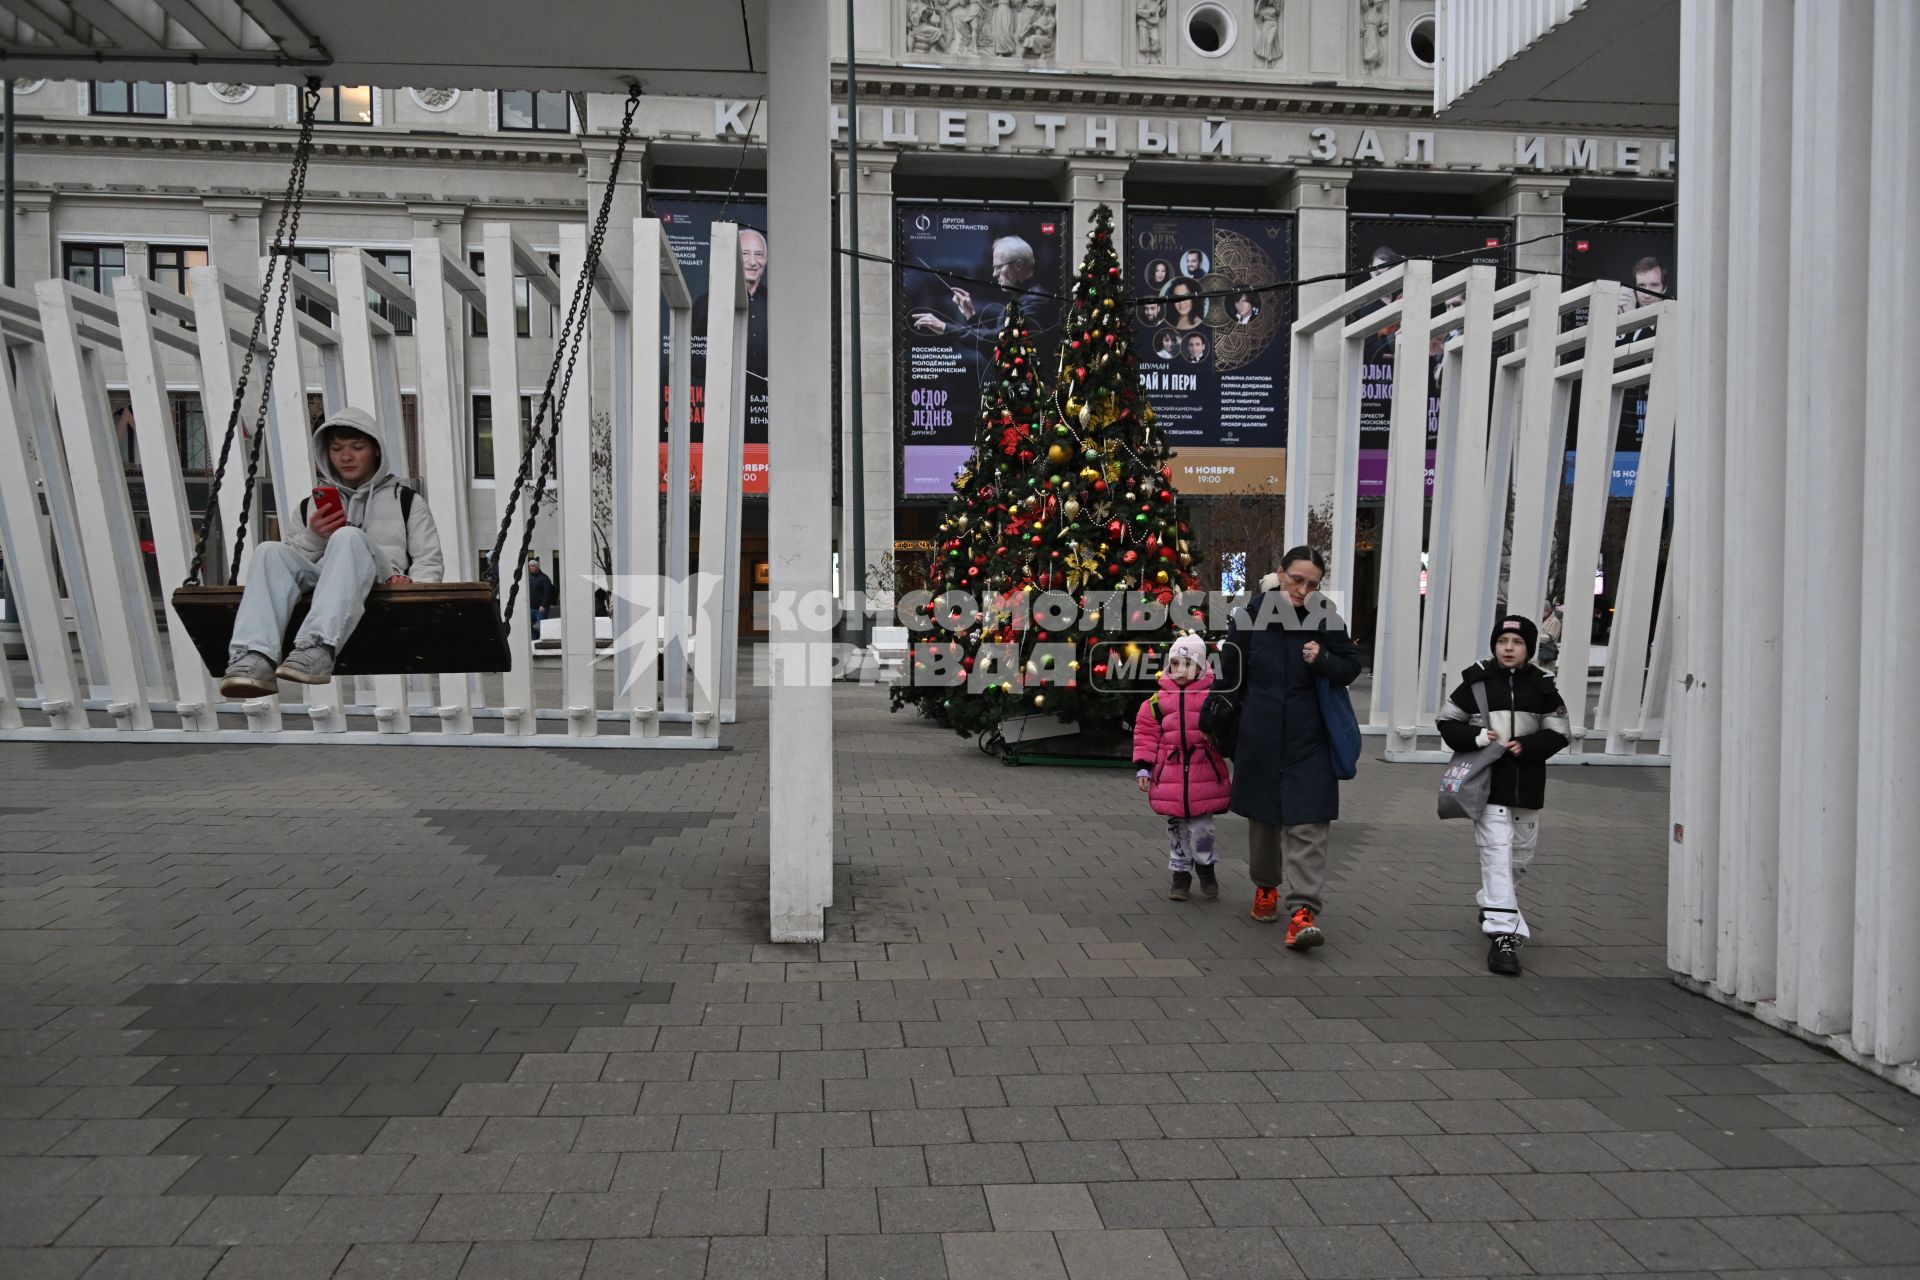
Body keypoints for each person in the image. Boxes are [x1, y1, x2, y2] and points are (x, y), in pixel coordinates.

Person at [219, 406, 442, 696]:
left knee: (348, 537)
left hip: (383, 583)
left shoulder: (406, 501)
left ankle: (317, 646)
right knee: (268, 552)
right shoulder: (311, 506)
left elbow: (428, 559)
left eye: (357, 448)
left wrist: (414, 586)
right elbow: (288, 569)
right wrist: (314, 537)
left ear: (375, 450)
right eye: (336, 449)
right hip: (327, 585)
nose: (346, 457)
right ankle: (254, 655)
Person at [1222, 546, 1363, 945]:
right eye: (1297, 579)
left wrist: (1323, 660)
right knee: (1264, 820)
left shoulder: (1325, 618)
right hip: (1260, 734)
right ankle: (1266, 886)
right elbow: (1230, 675)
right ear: (1280, 573)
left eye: (1312, 584)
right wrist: (1216, 721)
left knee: (1309, 821)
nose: (1303, 589)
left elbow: (1350, 667)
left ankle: (1303, 910)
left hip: (1310, 737)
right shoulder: (1249, 616)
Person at [1435, 615, 1571, 975]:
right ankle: (1504, 936)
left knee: (1520, 857)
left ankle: (1491, 901)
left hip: (1527, 785)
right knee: (1496, 852)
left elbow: (1559, 731)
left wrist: (1526, 746)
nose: (1509, 648)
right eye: (1502, 641)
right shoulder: (1476, 680)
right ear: (1495, 645)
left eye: (1517, 642)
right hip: (1487, 784)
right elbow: (1447, 721)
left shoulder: (1543, 686)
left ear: (1529, 648)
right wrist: (1477, 738)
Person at [1134, 634, 1232, 902]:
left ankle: (1206, 867)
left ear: (1200, 667)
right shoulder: (1157, 701)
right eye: (1174, 663)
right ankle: (1180, 874)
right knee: (1176, 828)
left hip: (1203, 771)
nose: (1179, 670)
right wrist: (1145, 767)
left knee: (1203, 828)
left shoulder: (1212, 696)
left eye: (1187, 664)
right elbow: (1145, 734)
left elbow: (1227, 726)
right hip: (1171, 774)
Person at [525, 557, 558, 624]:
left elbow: (548, 593)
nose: (531, 568)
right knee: (530, 629)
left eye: (533, 566)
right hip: (530, 608)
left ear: (537, 567)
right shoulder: (528, 578)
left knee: (542, 627)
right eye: (530, 566)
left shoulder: (544, 578)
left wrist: (543, 605)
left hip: (540, 609)